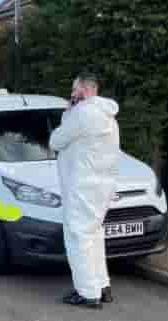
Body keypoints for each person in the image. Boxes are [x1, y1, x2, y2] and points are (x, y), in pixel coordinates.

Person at [49, 73, 120, 309]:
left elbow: (56, 141)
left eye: (74, 89)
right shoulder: (109, 117)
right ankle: (102, 285)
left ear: (86, 90)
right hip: (102, 187)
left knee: (77, 239)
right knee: (94, 236)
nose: (71, 94)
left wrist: (68, 111)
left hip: (81, 187)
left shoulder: (81, 113)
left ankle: (87, 293)